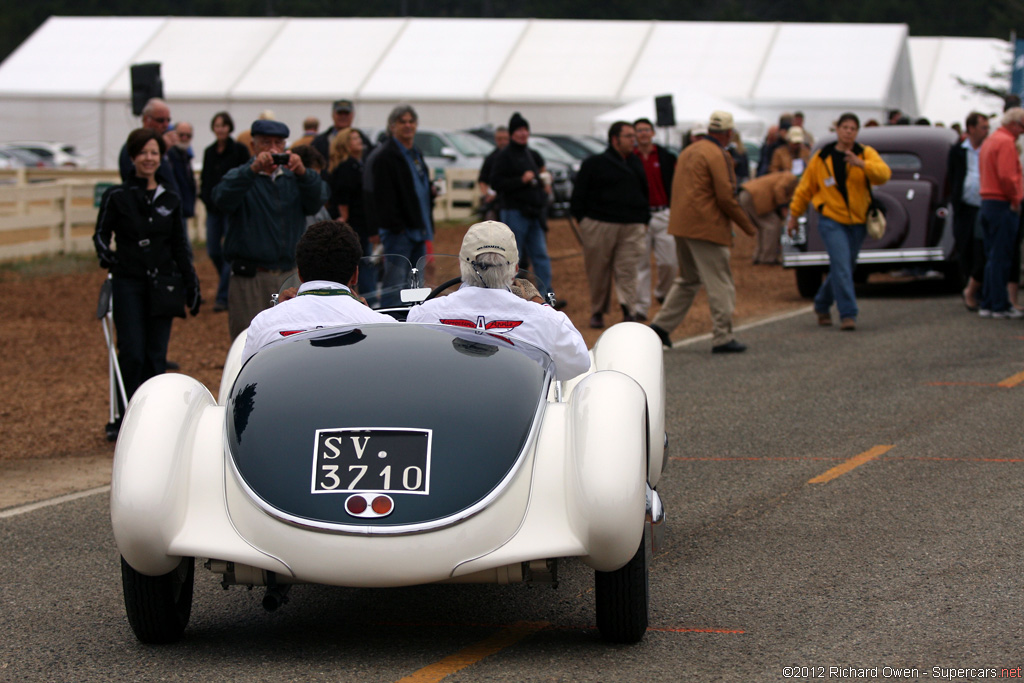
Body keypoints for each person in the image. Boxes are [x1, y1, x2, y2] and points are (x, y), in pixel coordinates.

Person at [93, 128, 200, 413]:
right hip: (128, 282)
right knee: (132, 353)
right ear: (132, 157)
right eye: (143, 153)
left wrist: (191, 284)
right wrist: (108, 257)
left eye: (154, 153)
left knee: (156, 355)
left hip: (163, 284)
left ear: (161, 157)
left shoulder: (170, 198)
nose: (149, 158)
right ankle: (124, 415)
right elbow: (101, 234)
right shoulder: (116, 196)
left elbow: (180, 245)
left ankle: (152, 416)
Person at [407, 221, 590, 381]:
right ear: (516, 269)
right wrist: (539, 305)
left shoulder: (422, 316)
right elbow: (579, 363)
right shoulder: (547, 321)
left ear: (461, 265)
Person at [649, 110, 757, 353]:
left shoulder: (689, 150)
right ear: (728, 133)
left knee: (688, 279)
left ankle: (660, 328)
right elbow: (726, 196)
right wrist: (748, 226)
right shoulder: (718, 154)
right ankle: (722, 336)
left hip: (681, 224)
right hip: (707, 226)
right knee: (720, 281)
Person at [213, 119, 328, 341]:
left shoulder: (293, 178)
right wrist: (252, 169)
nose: (273, 150)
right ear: (254, 146)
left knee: (293, 339)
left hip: (288, 274)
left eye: (279, 143)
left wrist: (304, 172)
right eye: (266, 143)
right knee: (248, 338)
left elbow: (318, 199)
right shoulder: (242, 176)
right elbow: (221, 199)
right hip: (251, 276)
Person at [786, 112, 892, 331]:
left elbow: (883, 175)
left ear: (857, 132)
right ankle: (848, 314)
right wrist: (794, 216)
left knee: (844, 267)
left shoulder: (865, 153)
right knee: (842, 265)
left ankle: (822, 303)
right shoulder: (822, 157)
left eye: (853, 128)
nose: (848, 132)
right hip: (831, 220)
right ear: (837, 129)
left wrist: (862, 165)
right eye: (845, 127)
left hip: (858, 221)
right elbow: (805, 189)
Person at [241, 220, 392, 363]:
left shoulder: (263, 324)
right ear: (355, 275)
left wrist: (279, 312)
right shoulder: (385, 328)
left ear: (300, 274)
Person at [570, 121, 650, 329]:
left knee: (628, 270)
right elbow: (578, 196)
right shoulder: (594, 163)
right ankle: (597, 311)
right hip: (599, 224)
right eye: (629, 136)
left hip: (631, 226)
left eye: (634, 136)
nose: (634, 140)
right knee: (598, 270)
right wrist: (585, 222)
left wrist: (644, 218)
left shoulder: (635, 162)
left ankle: (628, 310)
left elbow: (644, 191)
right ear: (615, 139)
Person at [489, 112, 553, 295]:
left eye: (525, 130)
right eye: (519, 130)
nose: (523, 134)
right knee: (512, 256)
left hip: (533, 214)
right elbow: (496, 182)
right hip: (514, 213)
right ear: (512, 133)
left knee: (541, 255)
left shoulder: (530, 154)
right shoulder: (504, 156)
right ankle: (508, 293)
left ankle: (546, 295)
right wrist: (521, 180)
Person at [370, 104, 433, 267]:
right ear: (392, 127)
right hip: (399, 234)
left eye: (411, 121)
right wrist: (397, 228)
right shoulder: (385, 156)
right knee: (395, 285)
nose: (408, 125)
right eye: (402, 122)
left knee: (416, 284)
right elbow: (382, 196)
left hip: (419, 229)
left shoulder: (416, 153)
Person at [200, 111, 251, 312]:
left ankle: (223, 296)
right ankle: (227, 280)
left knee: (229, 251)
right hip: (213, 209)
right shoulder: (209, 152)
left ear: (229, 127)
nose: (220, 129)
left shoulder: (239, 150)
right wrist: (206, 199)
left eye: (223, 125)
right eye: (217, 125)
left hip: (232, 210)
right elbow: (205, 179)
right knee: (213, 249)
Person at [977, 107, 1024, 318]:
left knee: (992, 255)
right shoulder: (1006, 143)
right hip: (1002, 203)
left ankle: (988, 302)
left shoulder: (991, 140)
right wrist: (1015, 199)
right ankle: (999, 304)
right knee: (1002, 256)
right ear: (1014, 124)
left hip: (987, 201)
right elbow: (1007, 176)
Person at [631, 117, 677, 321]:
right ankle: (641, 306)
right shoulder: (630, 158)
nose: (643, 133)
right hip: (639, 217)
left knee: (669, 262)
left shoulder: (666, 156)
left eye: (646, 130)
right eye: (639, 130)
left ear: (653, 133)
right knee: (641, 265)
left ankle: (662, 292)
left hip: (664, 213)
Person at [948, 112, 990, 311]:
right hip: (965, 206)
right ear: (971, 128)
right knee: (965, 247)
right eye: (983, 127)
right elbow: (952, 175)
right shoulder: (958, 150)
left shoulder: (988, 148)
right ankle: (969, 286)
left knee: (981, 248)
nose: (986, 131)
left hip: (984, 204)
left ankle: (976, 289)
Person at [741, 171, 800, 265]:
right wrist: (783, 207)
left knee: (764, 226)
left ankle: (759, 256)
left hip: (747, 195)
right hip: (754, 196)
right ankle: (767, 258)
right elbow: (779, 189)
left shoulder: (783, 176)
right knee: (772, 225)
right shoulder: (790, 177)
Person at [477, 125, 509, 220]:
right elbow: (482, 180)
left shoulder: (515, 157)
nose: (502, 142)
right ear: (495, 139)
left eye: (505, 139)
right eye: (499, 139)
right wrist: (487, 194)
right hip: (495, 203)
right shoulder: (491, 158)